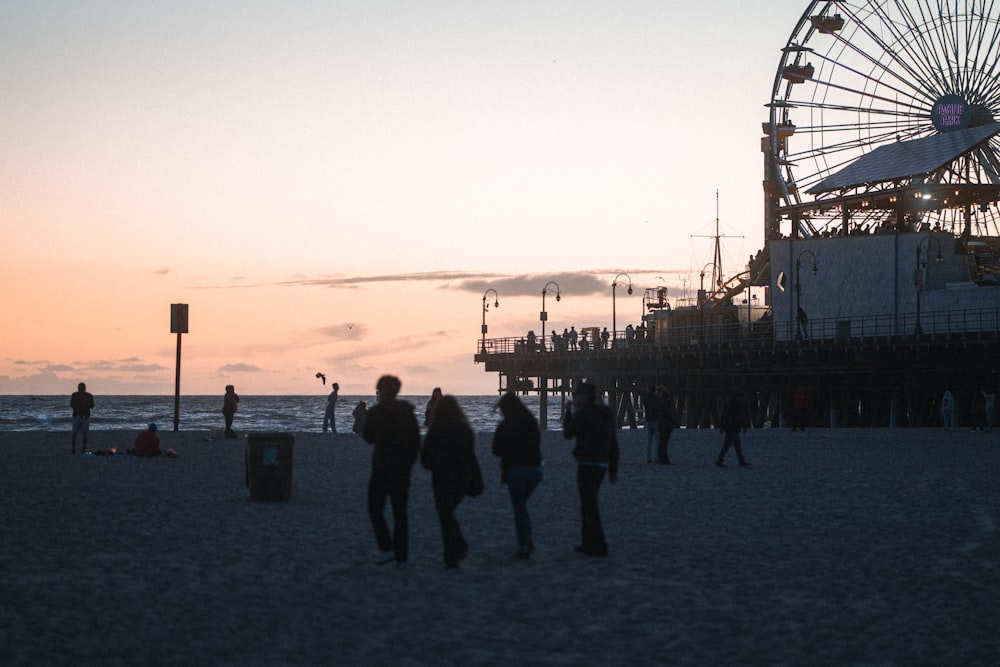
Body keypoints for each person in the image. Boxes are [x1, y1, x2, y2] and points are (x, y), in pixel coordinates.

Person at [362, 375, 421, 566]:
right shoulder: (407, 412)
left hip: (381, 466)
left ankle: (387, 548)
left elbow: (368, 437)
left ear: (380, 391)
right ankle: (401, 554)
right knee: (400, 512)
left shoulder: (376, 413)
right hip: (402, 469)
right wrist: (409, 462)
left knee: (375, 508)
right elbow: (415, 440)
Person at [563, 382, 619, 557]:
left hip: (587, 464)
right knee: (589, 504)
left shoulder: (584, 414)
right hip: (602, 465)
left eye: (576, 395)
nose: (574, 397)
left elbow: (568, 433)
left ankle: (598, 544)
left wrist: (569, 413)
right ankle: (587, 543)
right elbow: (613, 443)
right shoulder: (606, 413)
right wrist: (613, 468)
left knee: (589, 506)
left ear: (585, 397)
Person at [421, 395, 477, 569]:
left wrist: (434, 465)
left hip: (441, 479)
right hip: (461, 479)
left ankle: (453, 555)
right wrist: (476, 477)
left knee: (445, 517)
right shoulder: (465, 430)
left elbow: (426, 459)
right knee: (448, 515)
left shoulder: (435, 430)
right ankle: (459, 547)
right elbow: (471, 458)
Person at [492, 392, 543, 559]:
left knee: (519, 508)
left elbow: (496, 451)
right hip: (535, 470)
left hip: (516, 471)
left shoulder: (505, 426)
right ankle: (527, 541)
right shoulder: (531, 421)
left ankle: (524, 545)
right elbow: (537, 442)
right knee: (522, 507)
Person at [716, 392, 751, 468]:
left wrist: (722, 426)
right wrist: (744, 426)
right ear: (739, 397)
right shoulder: (736, 406)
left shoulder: (730, 405)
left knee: (736, 445)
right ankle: (720, 460)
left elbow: (724, 416)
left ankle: (740, 460)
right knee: (728, 445)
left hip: (731, 428)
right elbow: (739, 417)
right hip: (732, 428)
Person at [70, 382, 95, 454]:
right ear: (85, 388)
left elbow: (71, 405)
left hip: (76, 415)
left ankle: (73, 449)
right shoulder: (89, 395)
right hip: (85, 416)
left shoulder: (74, 395)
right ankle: (83, 449)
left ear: (78, 388)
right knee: (85, 434)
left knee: (74, 433)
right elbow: (92, 406)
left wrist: (78, 408)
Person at [657, 387, 678, 465]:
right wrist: (673, 421)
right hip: (665, 425)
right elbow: (669, 414)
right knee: (664, 443)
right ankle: (664, 459)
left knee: (661, 442)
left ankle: (661, 458)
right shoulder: (666, 405)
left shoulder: (660, 404)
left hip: (661, 425)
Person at [643, 386, 661, 464]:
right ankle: (656, 458)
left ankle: (648, 458)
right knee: (657, 439)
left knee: (649, 439)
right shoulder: (657, 398)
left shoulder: (645, 399)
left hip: (648, 419)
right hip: (656, 419)